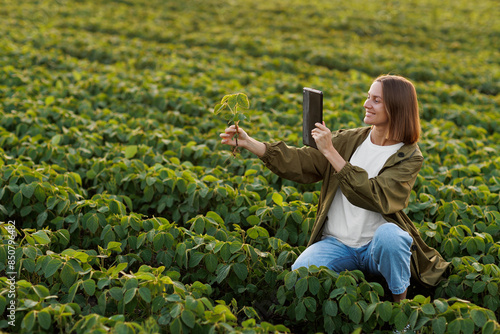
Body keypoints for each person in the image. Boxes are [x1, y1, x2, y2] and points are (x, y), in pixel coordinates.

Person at [219, 75, 449, 302]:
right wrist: (252, 144)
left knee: (392, 237)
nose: (366, 104)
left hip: (375, 246)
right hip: (337, 243)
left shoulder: (408, 155)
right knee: (300, 273)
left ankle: (400, 306)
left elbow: (376, 195)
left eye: (376, 100)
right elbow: (303, 161)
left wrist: (330, 152)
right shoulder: (349, 139)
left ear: (397, 107)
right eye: (368, 97)